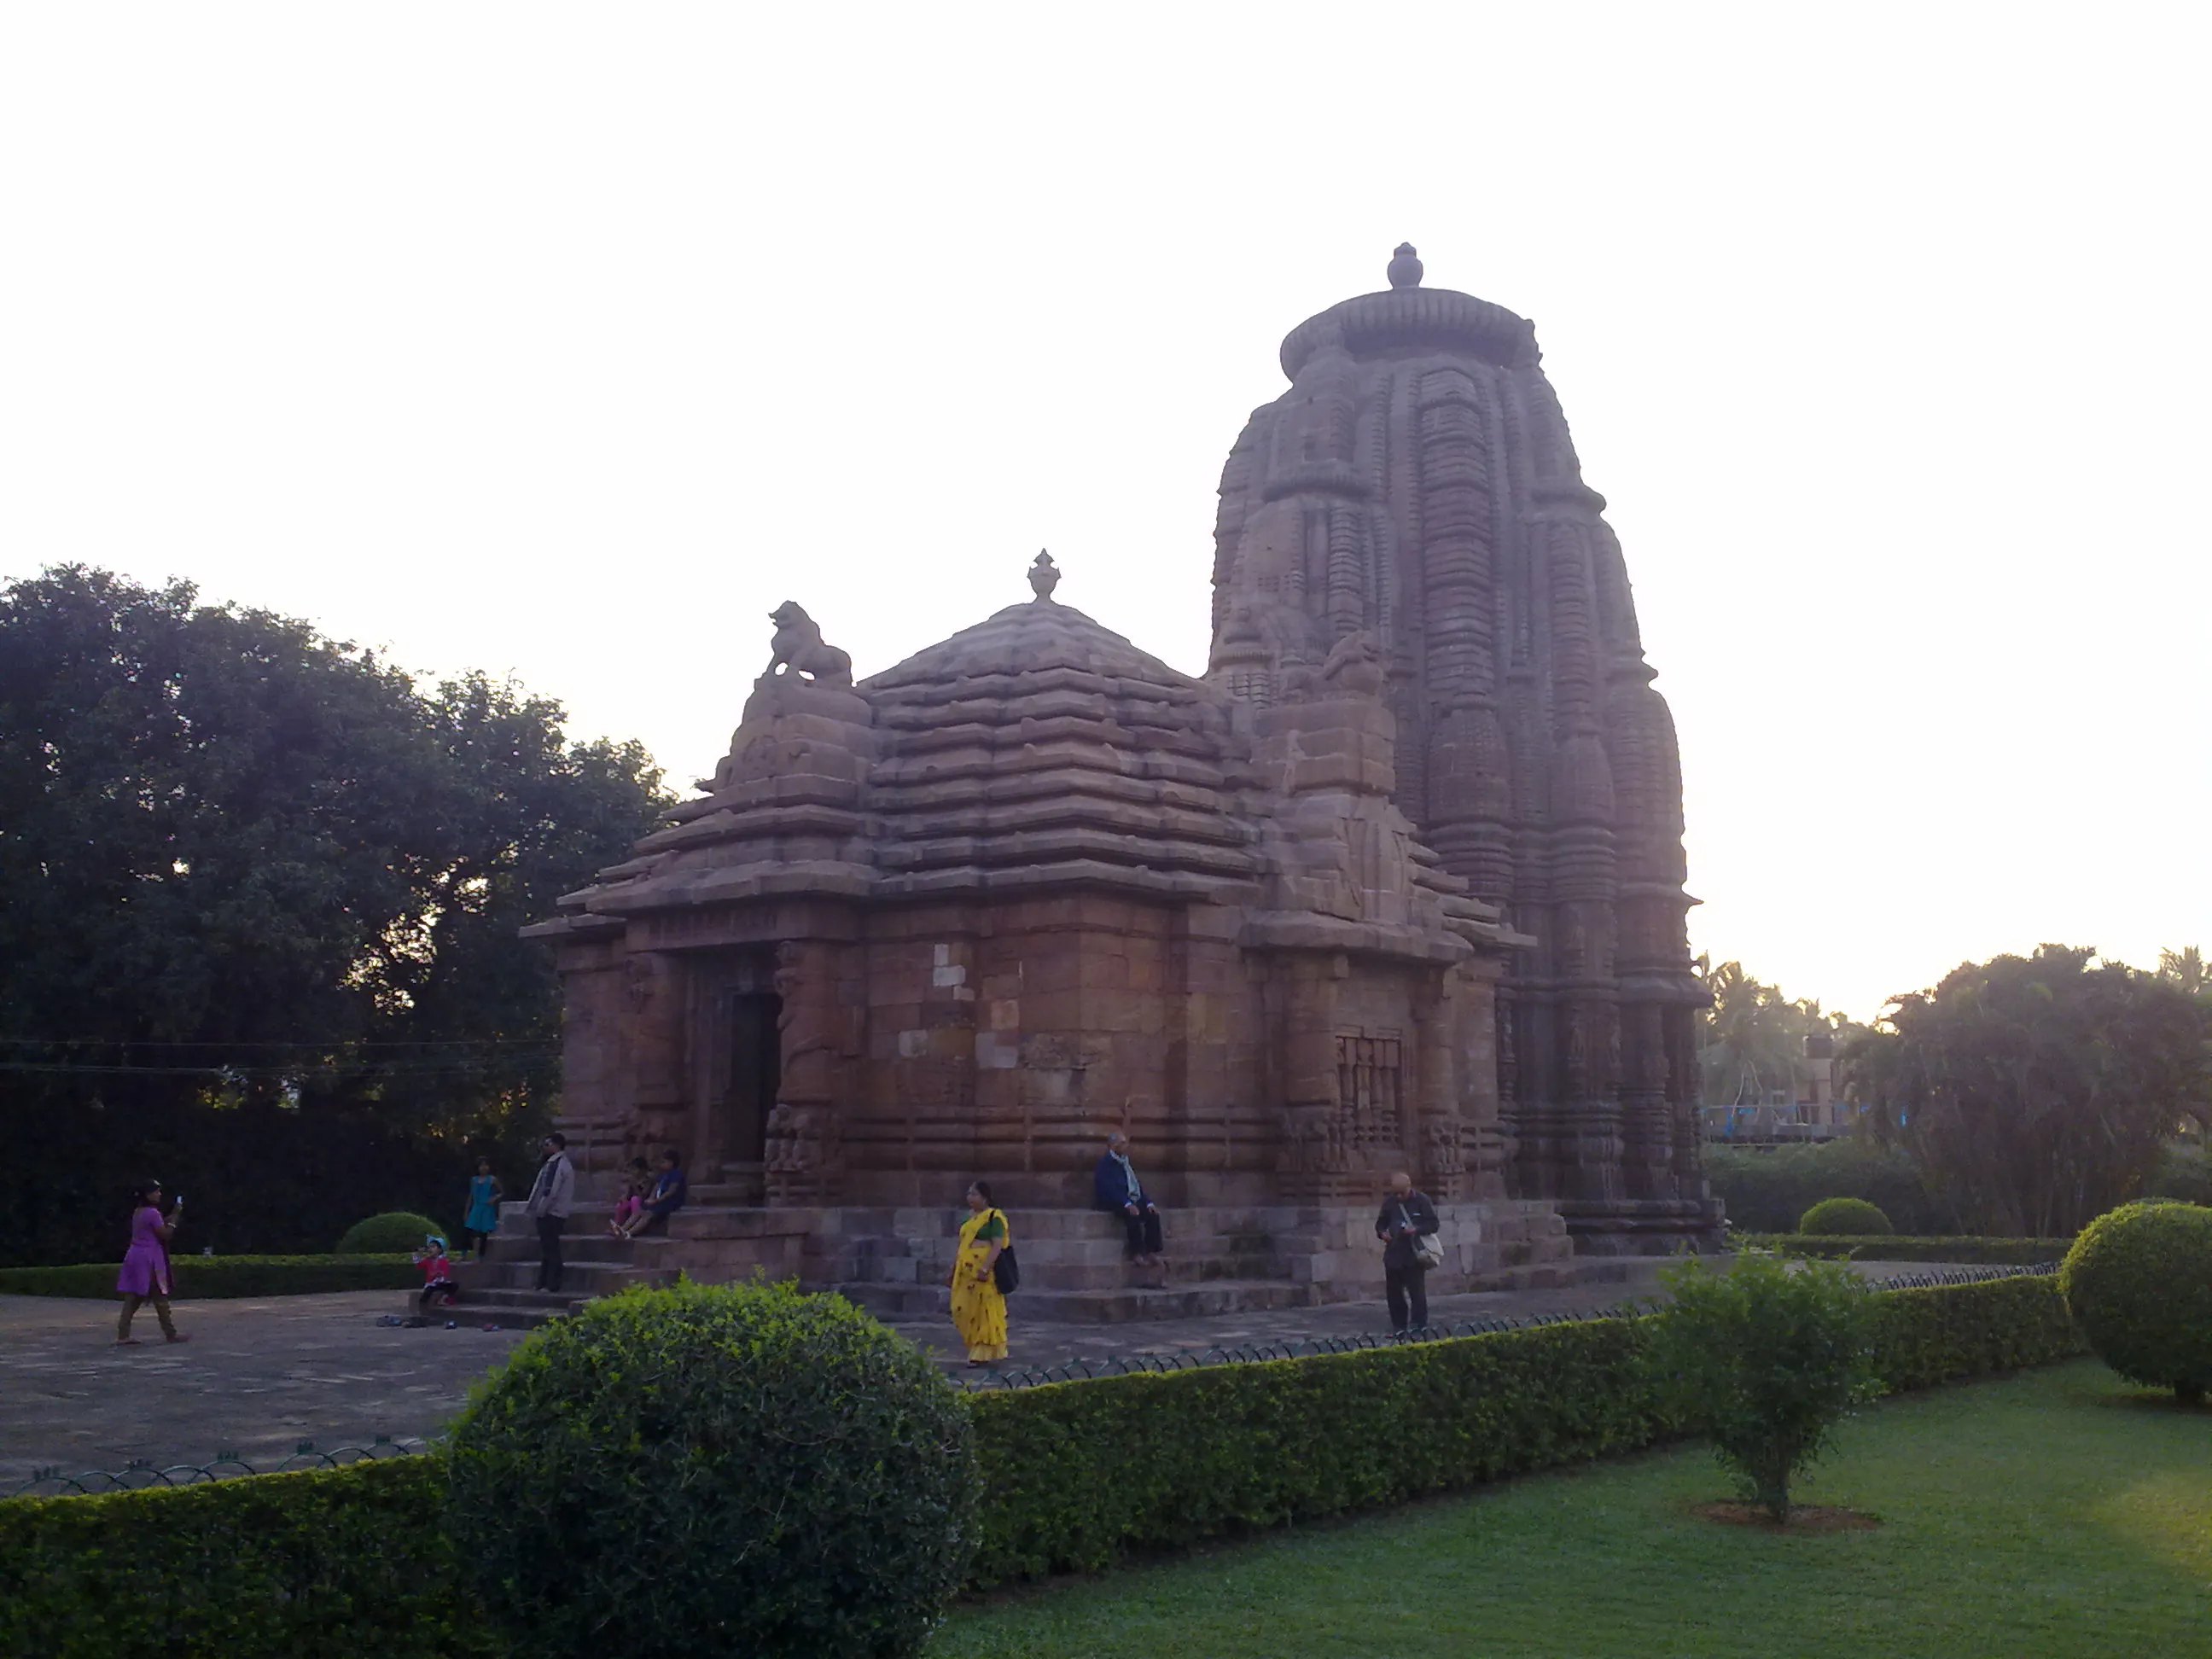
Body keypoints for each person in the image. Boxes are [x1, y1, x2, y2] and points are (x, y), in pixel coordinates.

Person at [115, 1180, 188, 1346]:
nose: (159, 1194)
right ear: (148, 1194)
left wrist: (171, 1216)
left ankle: (123, 1334)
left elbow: (158, 1224)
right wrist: (175, 1218)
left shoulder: (139, 1212)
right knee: (160, 1297)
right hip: (149, 1259)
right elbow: (165, 1234)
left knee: (133, 1298)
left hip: (135, 1256)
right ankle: (171, 1333)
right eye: (156, 1191)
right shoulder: (152, 1213)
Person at [947, 1179, 1009, 1368]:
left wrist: (985, 1268)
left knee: (984, 1312)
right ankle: (976, 1347)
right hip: (965, 1273)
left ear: (985, 1197)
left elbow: (997, 1245)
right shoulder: (969, 1219)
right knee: (963, 1309)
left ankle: (980, 1353)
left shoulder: (994, 1218)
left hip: (983, 1273)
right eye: (968, 1194)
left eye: (974, 1194)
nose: (970, 1198)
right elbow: (961, 1246)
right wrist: (952, 1271)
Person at [1375, 1169, 1441, 1336]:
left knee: (1417, 1293)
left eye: (1402, 1193)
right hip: (1394, 1254)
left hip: (1414, 1255)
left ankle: (1419, 1325)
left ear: (1409, 1188)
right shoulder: (1390, 1203)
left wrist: (1416, 1229)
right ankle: (1399, 1325)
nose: (1399, 1197)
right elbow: (1380, 1224)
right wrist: (1383, 1233)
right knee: (1394, 1294)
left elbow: (1433, 1224)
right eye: (1396, 1193)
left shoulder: (1422, 1201)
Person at [1091, 1131, 1164, 1266]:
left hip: (1130, 1199)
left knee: (1152, 1215)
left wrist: (1148, 1202)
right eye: (1122, 1143)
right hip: (1113, 1201)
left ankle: (1151, 1251)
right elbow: (1109, 1189)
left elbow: (1136, 1186)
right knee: (1133, 1215)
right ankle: (1136, 1252)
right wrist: (1127, 1204)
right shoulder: (1106, 1164)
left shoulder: (1126, 1164)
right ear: (1113, 1145)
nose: (1126, 1146)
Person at [522, 1132, 575, 1295]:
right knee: (547, 1249)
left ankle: (552, 1284)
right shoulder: (557, 1163)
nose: (544, 1148)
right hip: (554, 1212)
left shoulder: (557, 1164)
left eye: (547, 1144)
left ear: (555, 1145)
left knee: (551, 1250)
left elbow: (550, 1191)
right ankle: (543, 1282)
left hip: (552, 1213)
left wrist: (541, 1210)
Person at [624, 1149, 688, 1238]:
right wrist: (651, 1198)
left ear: (671, 1163)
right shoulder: (662, 1175)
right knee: (639, 1210)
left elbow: (671, 1191)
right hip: (659, 1201)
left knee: (648, 1214)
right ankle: (622, 1229)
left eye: (664, 1162)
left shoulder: (676, 1174)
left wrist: (657, 1200)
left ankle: (630, 1233)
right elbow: (656, 1188)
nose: (661, 1164)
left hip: (671, 1202)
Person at [463, 1158, 504, 1259]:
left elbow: (502, 1192)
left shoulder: (492, 1179)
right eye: (481, 1165)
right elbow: (471, 1196)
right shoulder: (474, 1180)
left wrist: (494, 1198)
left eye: (486, 1165)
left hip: (487, 1207)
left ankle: (481, 1256)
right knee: (468, 1230)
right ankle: (463, 1253)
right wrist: (466, 1211)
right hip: (476, 1207)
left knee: (483, 1233)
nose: (484, 1168)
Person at [413, 1234, 458, 1317]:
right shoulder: (427, 1260)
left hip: (440, 1282)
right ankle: (421, 1308)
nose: (430, 1249)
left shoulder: (443, 1260)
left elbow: (444, 1271)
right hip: (431, 1283)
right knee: (427, 1292)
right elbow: (418, 1265)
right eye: (430, 1247)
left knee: (454, 1285)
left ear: (440, 1250)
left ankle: (442, 1299)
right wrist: (419, 1253)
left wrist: (439, 1274)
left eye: (433, 1247)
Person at [606, 1157, 649, 1238]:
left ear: (643, 1170)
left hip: (641, 1203)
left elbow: (643, 1196)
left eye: (635, 1169)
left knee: (635, 1199)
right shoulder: (633, 1180)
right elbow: (628, 1194)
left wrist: (635, 1186)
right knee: (620, 1205)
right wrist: (623, 1198)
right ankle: (617, 1225)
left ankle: (632, 1226)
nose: (633, 1172)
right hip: (631, 1201)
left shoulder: (646, 1181)